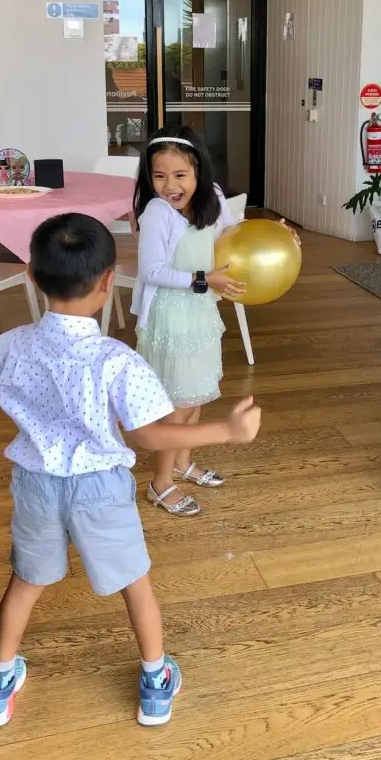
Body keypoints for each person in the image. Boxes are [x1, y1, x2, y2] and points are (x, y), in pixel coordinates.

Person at [0, 213, 261, 728]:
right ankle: (156, 680)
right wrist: (224, 432)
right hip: (100, 488)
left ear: (31, 274)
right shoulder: (116, 359)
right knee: (134, 582)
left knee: (25, 580)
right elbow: (147, 434)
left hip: (35, 483)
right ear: (105, 283)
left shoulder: (11, 345)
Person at [130, 127, 246, 517]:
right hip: (170, 314)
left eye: (180, 175)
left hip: (199, 310)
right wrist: (203, 279)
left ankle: (182, 462)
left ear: (198, 172)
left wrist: (274, 235)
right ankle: (160, 483)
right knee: (176, 405)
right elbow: (152, 271)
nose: (169, 186)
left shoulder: (211, 198)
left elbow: (232, 233)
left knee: (194, 397)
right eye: (159, 176)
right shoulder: (156, 213)